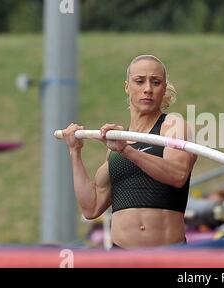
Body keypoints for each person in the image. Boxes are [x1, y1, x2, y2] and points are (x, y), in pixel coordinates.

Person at [61, 55, 197, 249]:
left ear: (164, 88)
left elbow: (177, 174)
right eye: (140, 81)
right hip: (121, 256)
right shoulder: (116, 147)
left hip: (167, 255)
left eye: (156, 82)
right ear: (127, 87)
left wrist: (126, 149)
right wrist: (75, 151)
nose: (148, 89)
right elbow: (91, 207)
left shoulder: (173, 126)